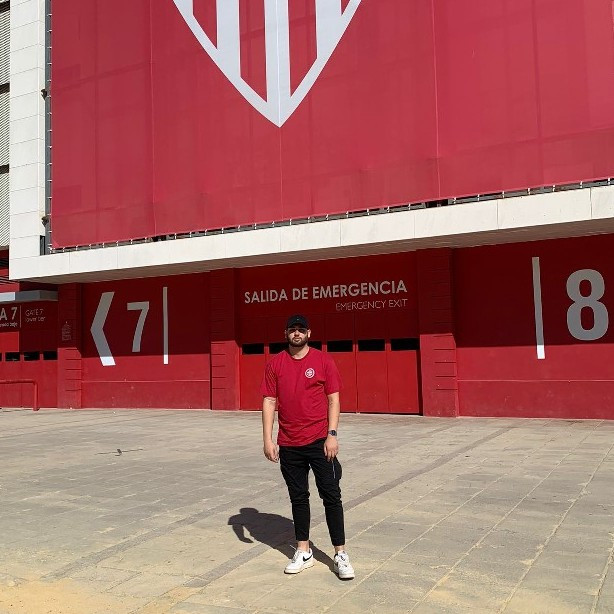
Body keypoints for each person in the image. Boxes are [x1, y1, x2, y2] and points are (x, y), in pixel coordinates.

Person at [261, 314, 355, 580]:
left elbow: (333, 399)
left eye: (301, 329)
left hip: (319, 442)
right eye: (292, 329)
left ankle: (340, 554)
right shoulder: (275, 363)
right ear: (286, 333)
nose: (297, 333)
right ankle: (303, 551)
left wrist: (332, 434)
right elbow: (269, 401)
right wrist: (268, 439)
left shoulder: (323, 360)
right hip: (289, 443)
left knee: (331, 495)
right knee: (298, 497)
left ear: (309, 333)